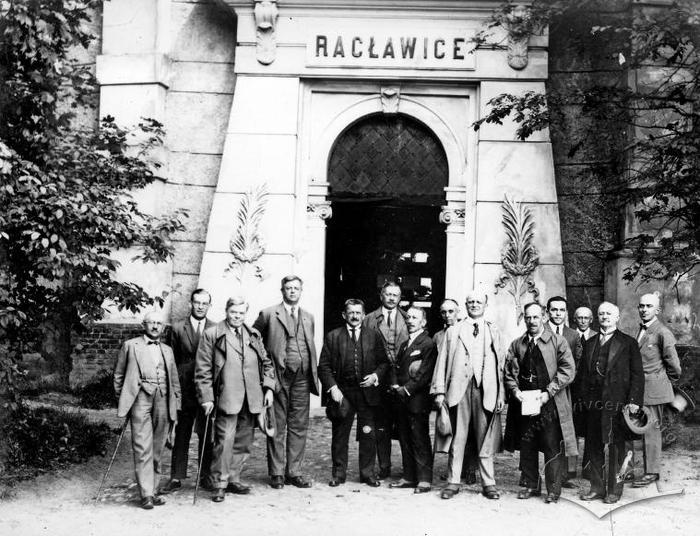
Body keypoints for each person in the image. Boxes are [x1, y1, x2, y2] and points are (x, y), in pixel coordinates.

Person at [195, 296, 276, 502]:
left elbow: (267, 363)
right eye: (233, 312)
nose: (237, 317)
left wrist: (268, 388)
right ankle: (219, 484)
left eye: (241, 313)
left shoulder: (254, 335)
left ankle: (233, 478)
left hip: (251, 398)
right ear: (226, 311)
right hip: (226, 397)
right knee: (224, 441)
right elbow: (203, 368)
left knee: (244, 442)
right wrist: (206, 397)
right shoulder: (212, 334)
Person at [431, 290, 505, 500]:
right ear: (465, 305)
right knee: (458, 438)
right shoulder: (454, 331)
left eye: (478, 302)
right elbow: (442, 361)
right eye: (470, 302)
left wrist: (501, 394)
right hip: (459, 391)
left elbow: (501, 365)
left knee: (485, 439)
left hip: (485, 390)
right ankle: (453, 482)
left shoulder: (493, 331)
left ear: (485, 304)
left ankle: (488, 483)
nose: (474, 305)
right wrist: (439, 392)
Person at [504, 302, 577, 504]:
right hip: (525, 402)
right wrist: (515, 391)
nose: (532, 321)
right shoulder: (517, 344)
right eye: (528, 317)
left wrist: (549, 392)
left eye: (536, 317)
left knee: (551, 445)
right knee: (527, 443)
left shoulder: (558, 342)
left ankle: (553, 490)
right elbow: (509, 372)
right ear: (524, 319)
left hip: (549, 402)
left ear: (544, 317)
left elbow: (568, 370)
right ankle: (530, 484)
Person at [253, 275, 318, 489]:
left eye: (296, 288)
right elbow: (254, 340)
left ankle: (294, 472)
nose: (292, 291)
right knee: (278, 425)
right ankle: (277, 473)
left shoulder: (308, 317)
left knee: (299, 426)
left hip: (302, 379)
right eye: (288, 288)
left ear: (301, 290)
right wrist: (265, 370)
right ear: (282, 290)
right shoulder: (269, 314)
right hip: (279, 378)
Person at [317, 299, 389, 487]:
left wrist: (375, 376)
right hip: (343, 393)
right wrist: (333, 388)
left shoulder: (373, 335)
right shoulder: (333, 336)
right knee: (340, 435)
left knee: (368, 433)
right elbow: (323, 366)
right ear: (344, 315)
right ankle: (338, 474)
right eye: (351, 313)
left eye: (358, 313)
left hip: (366, 393)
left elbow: (384, 363)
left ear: (364, 315)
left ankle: (367, 473)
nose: (355, 316)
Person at [113, 311, 181, 509]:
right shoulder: (130, 346)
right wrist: (125, 400)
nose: (155, 326)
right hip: (140, 399)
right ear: (144, 324)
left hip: (163, 399)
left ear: (163, 327)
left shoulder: (167, 350)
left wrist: (176, 404)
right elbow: (118, 376)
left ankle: (154, 489)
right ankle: (146, 495)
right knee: (143, 446)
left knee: (158, 447)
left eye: (159, 323)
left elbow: (174, 380)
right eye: (151, 322)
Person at [579, 302, 644, 504]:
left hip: (618, 405)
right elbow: (583, 375)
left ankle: (615, 490)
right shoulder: (589, 343)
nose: (605, 316)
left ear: (617, 318)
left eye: (609, 314)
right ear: (597, 318)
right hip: (593, 405)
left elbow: (637, 375)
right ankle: (597, 488)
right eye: (601, 314)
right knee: (593, 446)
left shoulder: (628, 343)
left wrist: (633, 402)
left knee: (618, 449)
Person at [161, 289, 215, 493]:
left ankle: (206, 475)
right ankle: (176, 476)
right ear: (191, 304)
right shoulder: (177, 328)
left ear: (210, 305)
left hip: (206, 389)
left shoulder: (215, 328)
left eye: (205, 303)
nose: (200, 306)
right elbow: (170, 359)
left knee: (206, 433)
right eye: (197, 302)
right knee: (182, 433)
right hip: (183, 389)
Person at [633, 293, 681, 488]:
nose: (644, 309)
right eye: (641, 306)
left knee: (651, 432)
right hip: (640, 389)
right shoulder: (641, 330)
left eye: (648, 306)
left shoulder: (662, 332)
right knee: (638, 429)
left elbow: (674, 365)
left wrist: (663, 383)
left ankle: (651, 472)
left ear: (657, 310)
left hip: (654, 390)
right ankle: (638, 469)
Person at [362, 281, 409, 479]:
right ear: (381, 295)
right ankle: (383, 467)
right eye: (388, 294)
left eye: (395, 295)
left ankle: (408, 469)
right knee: (379, 425)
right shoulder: (369, 319)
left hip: (401, 378)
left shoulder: (409, 318)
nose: (391, 298)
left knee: (403, 424)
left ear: (400, 298)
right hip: (378, 378)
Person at [389, 306, 438, 493]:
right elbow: (396, 367)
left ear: (423, 322)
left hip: (417, 400)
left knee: (419, 438)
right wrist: (395, 385)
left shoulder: (427, 344)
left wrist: (406, 389)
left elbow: (425, 373)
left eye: (414, 317)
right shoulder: (404, 344)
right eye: (408, 317)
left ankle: (424, 480)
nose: (410, 320)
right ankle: (409, 476)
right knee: (404, 438)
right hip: (401, 399)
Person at [432, 298, 479, 485]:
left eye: (451, 311)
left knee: (471, 431)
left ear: (459, 312)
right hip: (448, 388)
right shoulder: (438, 336)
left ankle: (471, 468)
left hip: (466, 388)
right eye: (444, 312)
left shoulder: (467, 331)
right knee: (451, 430)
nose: (447, 315)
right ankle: (454, 469)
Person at [544, 296, 583, 487]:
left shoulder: (573, 335)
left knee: (565, 431)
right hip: (544, 392)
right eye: (554, 310)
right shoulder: (539, 329)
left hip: (566, 391)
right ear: (547, 311)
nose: (558, 314)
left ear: (566, 312)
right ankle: (535, 476)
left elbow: (577, 364)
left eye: (561, 310)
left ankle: (565, 475)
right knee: (544, 433)